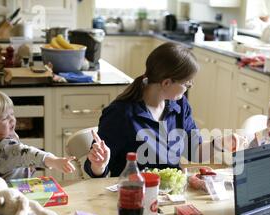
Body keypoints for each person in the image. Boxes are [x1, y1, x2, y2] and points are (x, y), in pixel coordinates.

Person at [85, 42, 240, 177]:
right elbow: (93, 169)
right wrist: (99, 165)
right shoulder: (121, 114)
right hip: (133, 194)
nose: (190, 86)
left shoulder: (180, 106)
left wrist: (219, 143)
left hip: (171, 195)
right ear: (166, 83)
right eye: (187, 83)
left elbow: (194, 152)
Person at [0, 89, 75, 181]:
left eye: (12, 114)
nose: (12, 119)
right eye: (5, 118)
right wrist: (54, 161)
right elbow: (29, 154)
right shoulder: (5, 147)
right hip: (12, 194)